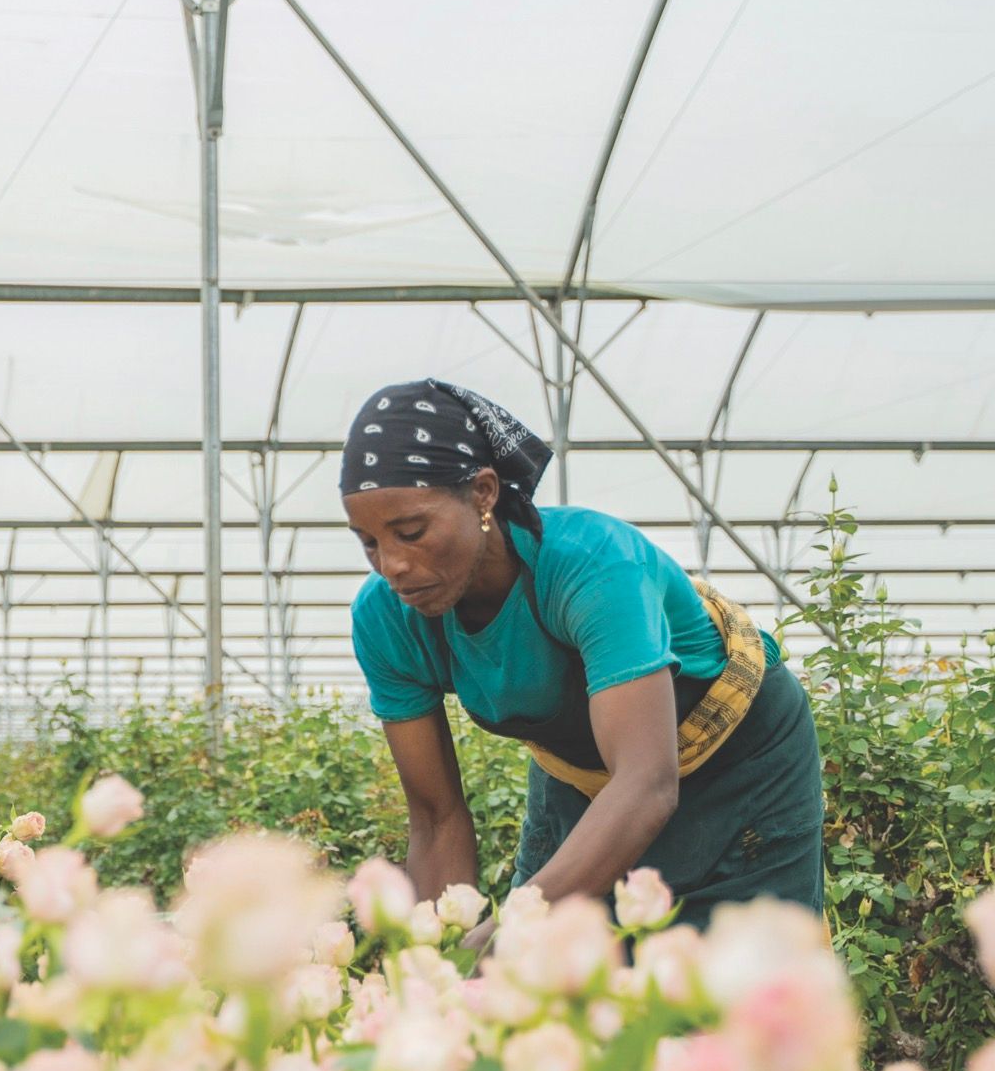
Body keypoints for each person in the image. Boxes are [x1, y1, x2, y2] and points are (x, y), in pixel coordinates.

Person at [338, 379, 824, 936]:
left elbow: (646, 784)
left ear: (483, 493)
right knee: (554, 987)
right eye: (369, 542)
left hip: (736, 764)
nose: (392, 565)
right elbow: (435, 816)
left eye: (411, 531)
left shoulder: (592, 565)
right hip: (582, 777)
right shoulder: (386, 617)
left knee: (733, 986)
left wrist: (517, 925)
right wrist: (437, 963)